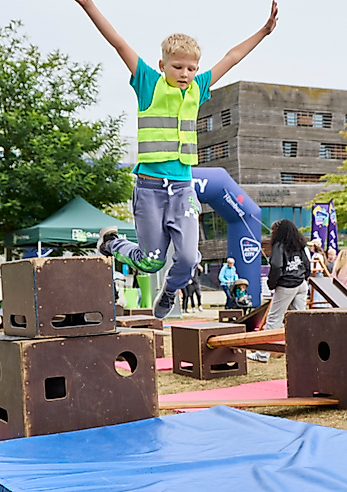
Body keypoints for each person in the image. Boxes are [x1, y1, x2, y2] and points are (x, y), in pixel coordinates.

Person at [82, 0, 279, 319]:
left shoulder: (198, 89)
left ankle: (170, 291)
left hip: (183, 188)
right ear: (162, 65)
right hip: (149, 189)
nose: (185, 74)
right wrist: (88, 5)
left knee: (188, 257)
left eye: (191, 68)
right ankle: (112, 244)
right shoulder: (148, 83)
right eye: (178, 67)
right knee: (151, 261)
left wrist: (263, 32)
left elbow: (231, 57)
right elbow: (117, 42)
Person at [248, 219, 308, 363]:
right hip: (301, 283)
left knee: (273, 319)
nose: (271, 233)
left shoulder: (279, 246)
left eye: (273, 230)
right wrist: (304, 277)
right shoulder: (299, 245)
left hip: (286, 284)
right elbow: (307, 264)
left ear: (278, 231)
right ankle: (304, 351)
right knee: (300, 319)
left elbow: (276, 266)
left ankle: (262, 354)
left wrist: (272, 283)